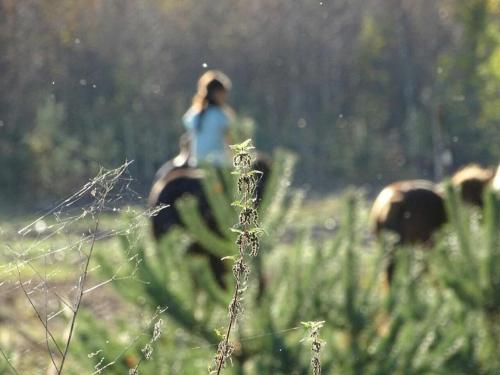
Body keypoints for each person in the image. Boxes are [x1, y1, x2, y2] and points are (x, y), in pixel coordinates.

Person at [182, 70, 233, 167]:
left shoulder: (195, 113)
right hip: (218, 164)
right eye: (223, 94)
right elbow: (231, 141)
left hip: (196, 163)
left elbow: (187, 123)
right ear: (217, 94)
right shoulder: (221, 116)